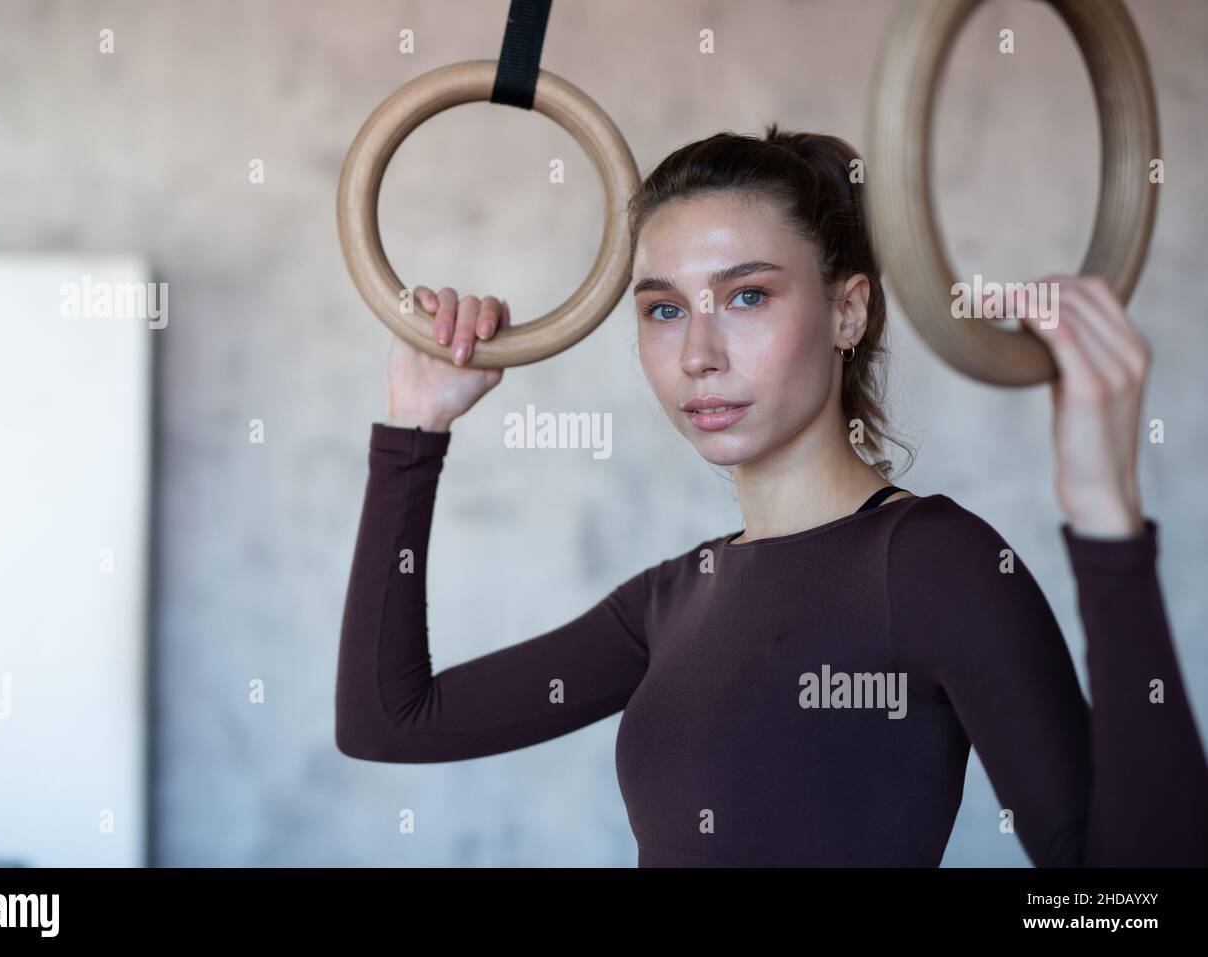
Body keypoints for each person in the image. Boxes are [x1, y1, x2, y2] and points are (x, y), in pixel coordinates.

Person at [335, 123, 1208, 866]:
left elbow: (1130, 906)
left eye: (746, 294)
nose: (698, 354)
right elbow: (388, 720)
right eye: (664, 309)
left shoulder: (938, 562)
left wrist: (1106, 517)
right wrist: (416, 430)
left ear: (847, 311)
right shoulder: (671, 600)